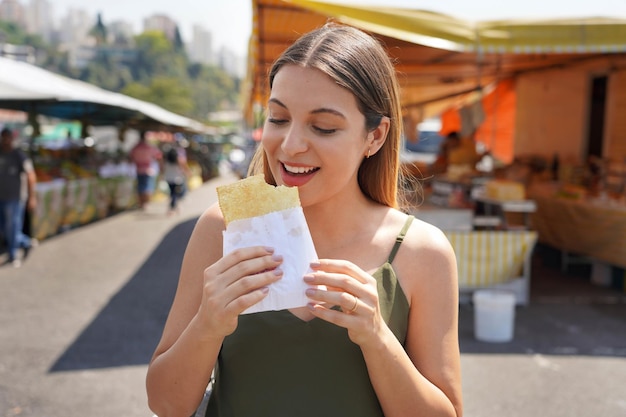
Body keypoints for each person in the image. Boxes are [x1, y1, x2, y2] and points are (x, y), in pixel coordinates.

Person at [146, 23, 462, 417]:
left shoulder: (421, 252)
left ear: (375, 136)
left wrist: (378, 338)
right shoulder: (223, 227)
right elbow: (166, 403)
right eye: (278, 119)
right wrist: (209, 323)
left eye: (323, 126)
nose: (291, 145)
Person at [0, 127, 38, 268]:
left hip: (14, 198)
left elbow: (30, 175)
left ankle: (12, 255)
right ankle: (27, 242)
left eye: (7, 137)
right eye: (3, 137)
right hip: (1, 198)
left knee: (12, 228)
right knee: (5, 229)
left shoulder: (18, 155)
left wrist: (32, 196)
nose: (5, 140)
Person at [129, 131, 162, 209]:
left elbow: (131, 158)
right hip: (148, 170)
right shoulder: (149, 147)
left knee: (140, 187)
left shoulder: (135, 147)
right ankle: (146, 204)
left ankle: (141, 203)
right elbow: (159, 156)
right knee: (147, 187)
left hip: (138, 170)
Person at [163, 142, 190, 216]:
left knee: (172, 193)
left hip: (169, 179)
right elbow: (185, 168)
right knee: (176, 194)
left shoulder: (166, 161)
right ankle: (173, 208)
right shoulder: (179, 160)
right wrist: (187, 173)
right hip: (178, 179)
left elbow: (163, 169)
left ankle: (173, 207)